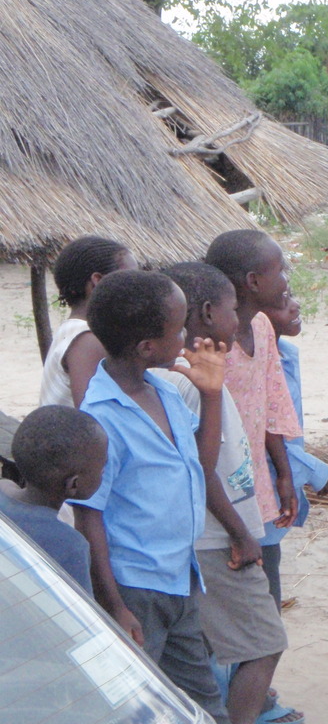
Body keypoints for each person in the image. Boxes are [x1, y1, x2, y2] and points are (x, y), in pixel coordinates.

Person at [71, 269, 230, 724]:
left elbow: (200, 464)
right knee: (137, 707)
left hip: (178, 577)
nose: (186, 335)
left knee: (204, 706)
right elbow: (89, 517)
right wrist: (115, 605)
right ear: (146, 347)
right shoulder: (102, 418)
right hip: (135, 588)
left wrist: (212, 396)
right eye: (178, 328)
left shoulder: (162, 388)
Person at [158, 262, 290, 724]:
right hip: (218, 539)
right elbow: (202, 468)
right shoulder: (188, 384)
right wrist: (241, 533)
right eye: (234, 310)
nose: (241, 319)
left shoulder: (185, 377)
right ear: (210, 313)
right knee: (265, 643)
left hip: (212, 536)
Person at [207, 230, 305, 724]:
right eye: (280, 270)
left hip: (257, 489)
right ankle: (239, 704)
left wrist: (284, 473)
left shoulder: (263, 328)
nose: (287, 279)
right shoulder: (209, 347)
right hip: (216, 497)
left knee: (265, 590)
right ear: (251, 281)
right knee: (230, 606)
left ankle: (254, 698)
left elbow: (271, 403)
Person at [0, 405, 107, 594]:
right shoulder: (69, 544)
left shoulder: (3, 490)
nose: (104, 473)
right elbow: (78, 615)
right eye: (102, 468)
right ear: (73, 485)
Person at [262, 293, 328, 557]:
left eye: (293, 295)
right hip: (263, 495)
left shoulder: (287, 355)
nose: (296, 304)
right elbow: (261, 431)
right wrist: (312, 469)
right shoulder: (254, 366)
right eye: (281, 301)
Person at [40, 236, 138, 408]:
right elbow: (95, 417)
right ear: (98, 282)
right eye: (130, 279)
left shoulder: (74, 329)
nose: (138, 288)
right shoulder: (88, 339)